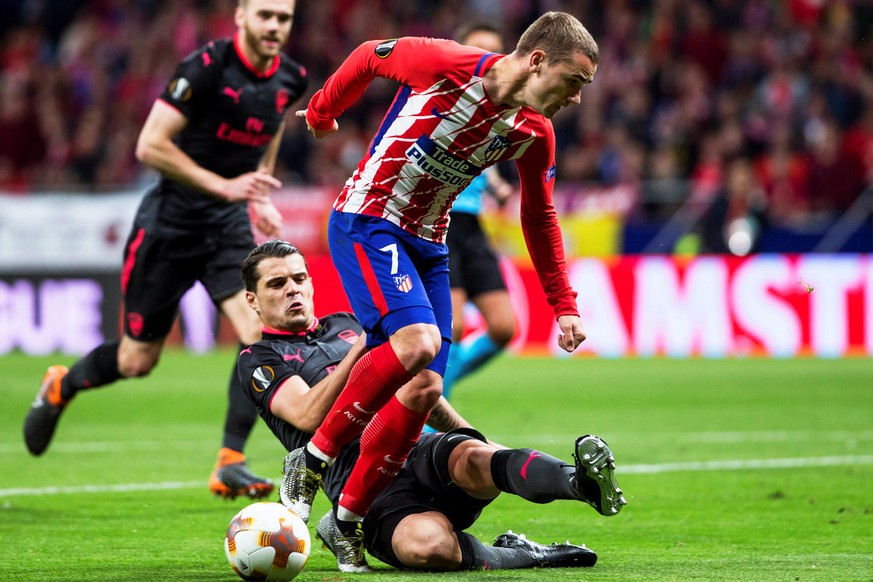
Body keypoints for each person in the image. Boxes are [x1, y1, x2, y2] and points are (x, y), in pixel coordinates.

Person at [282, 10, 600, 561]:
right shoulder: (445, 64)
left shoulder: (533, 131)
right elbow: (368, 56)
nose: (576, 98)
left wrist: (563, 305)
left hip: (429, 245)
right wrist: (321, 109)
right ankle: (309, 461)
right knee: (417, 344)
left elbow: (539, 216)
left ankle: (346, 520)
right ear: (538, 61)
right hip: (368, 218)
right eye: (575, 81)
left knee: (427, 388)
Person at [22, 0, 308, 500]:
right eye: (265, 15)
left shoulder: (289, 78)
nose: (274, 27)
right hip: (168, 231)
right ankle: (61, 386)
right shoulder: (203, 69)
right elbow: (150, 144)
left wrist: (256, 194)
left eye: (283, 18)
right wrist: (222, 185)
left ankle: (230, 460)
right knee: (137, 360)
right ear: (241, 15)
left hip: (225, 232)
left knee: (257, 334)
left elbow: (274, 122)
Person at [236, 240, 626, 572]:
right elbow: (308, 414)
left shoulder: (345, 323)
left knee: (476, 455)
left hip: (416, 449)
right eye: (277, 284)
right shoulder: (259, 358)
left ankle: (580, 483)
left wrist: (476, 437)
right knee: (430, 548)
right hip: (362, 486)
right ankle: (524, 554)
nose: (293, 290)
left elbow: (423, 391)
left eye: (299, 279)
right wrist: (365, 346)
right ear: (252, 300)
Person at [441, 23, 516, 409]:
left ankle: (430, 386)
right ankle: (435, 421)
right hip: (443, 222)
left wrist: (497, 184)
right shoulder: (444, 101)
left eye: (496, 53)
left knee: (504, 327)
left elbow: (483, 159)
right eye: (479, 52)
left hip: (473, 226)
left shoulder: (496, 111)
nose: (489, 61)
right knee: (451, 328)